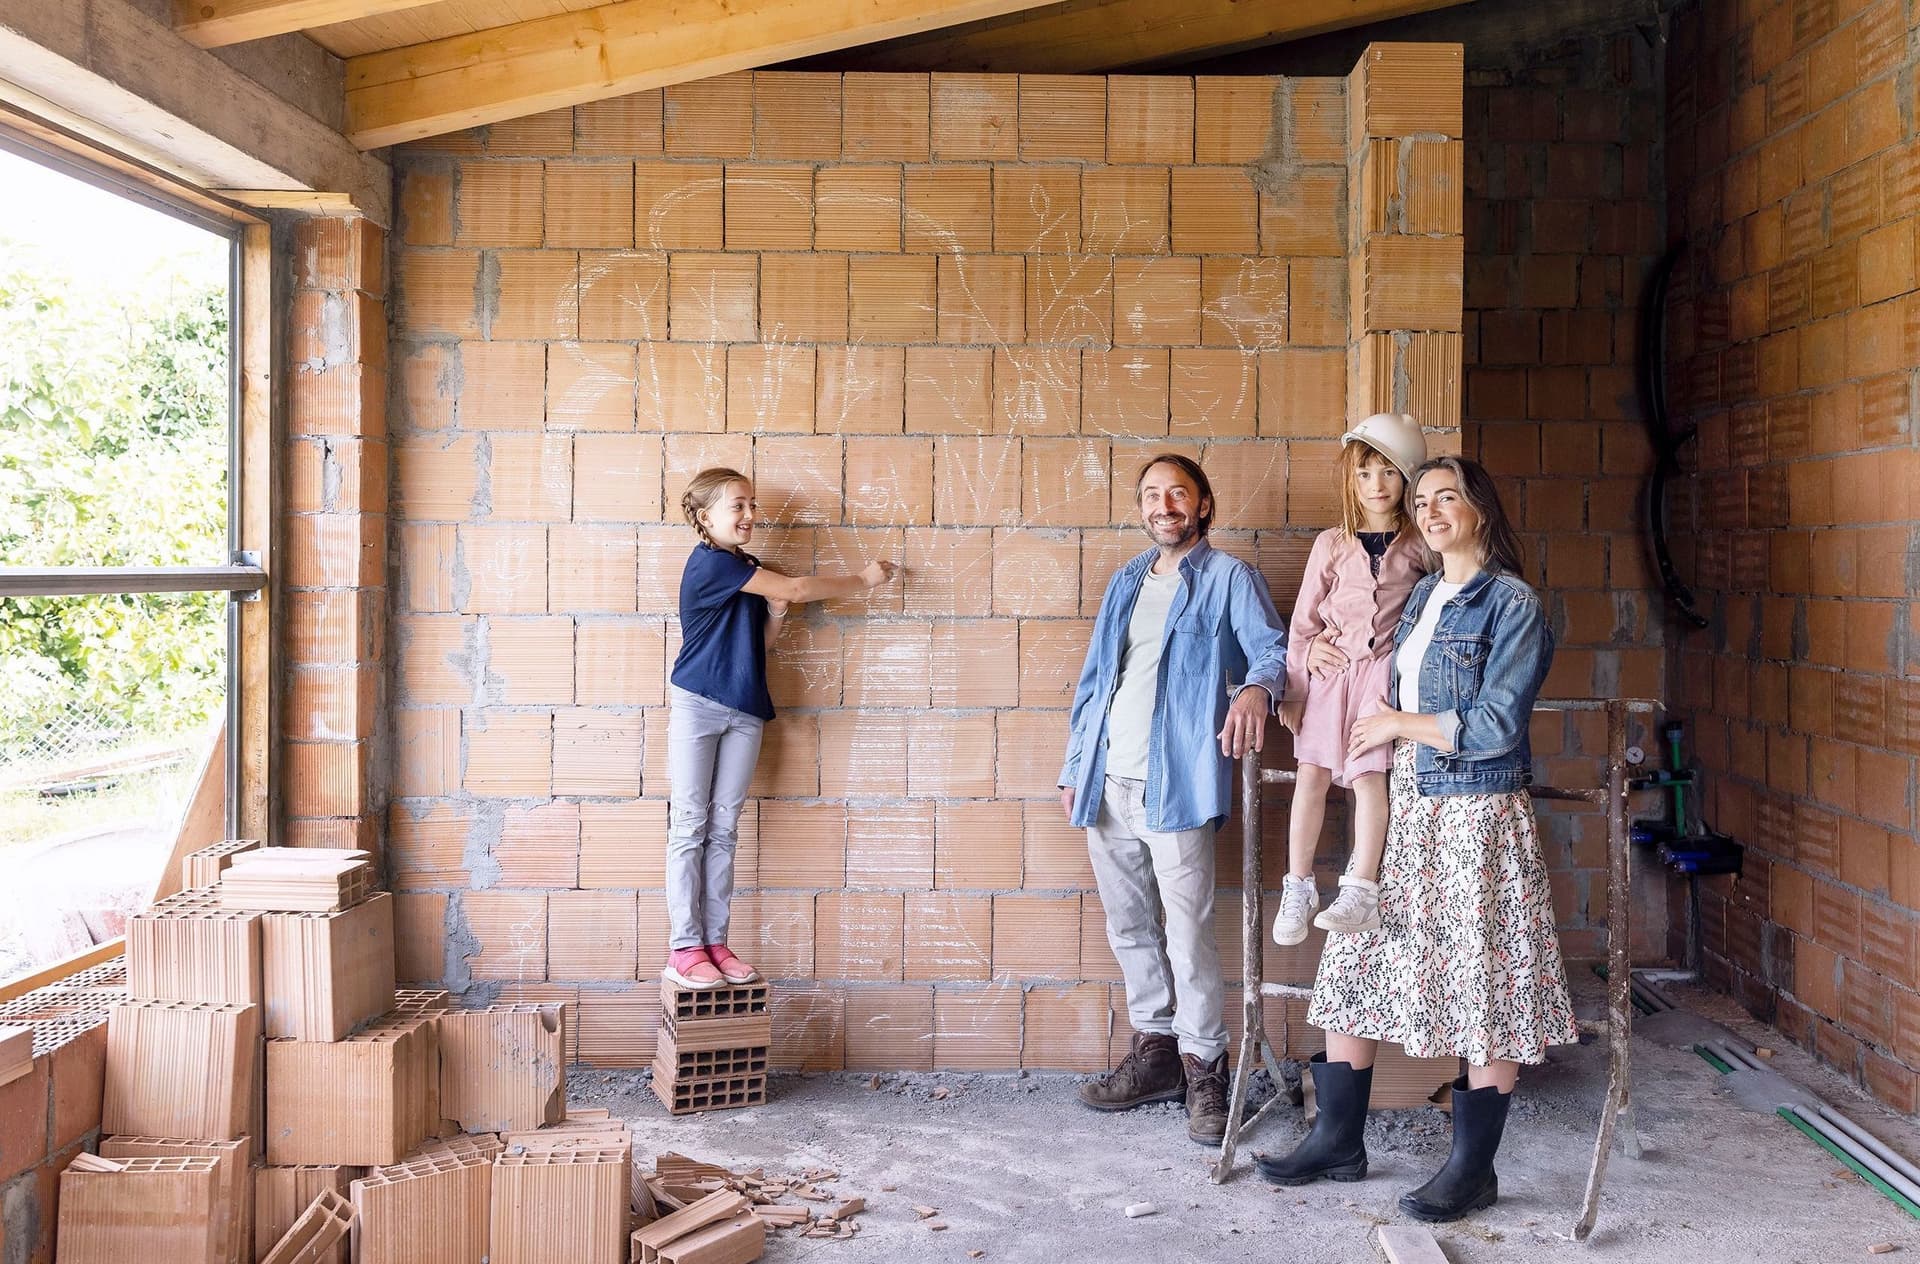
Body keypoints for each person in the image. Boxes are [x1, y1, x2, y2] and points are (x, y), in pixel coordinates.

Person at [1255, 455, 1578, 1223]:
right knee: (1357, 963)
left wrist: (1401, 724)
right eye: (1423, 499)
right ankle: (1337, 1136)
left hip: (1476, 816)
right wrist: (1318, 655)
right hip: (1411, 808)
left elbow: (1498, 726)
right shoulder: (1427, 591)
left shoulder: (1513, 603)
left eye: (1447, 499)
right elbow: (1361, 655)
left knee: (1484, 987)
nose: (1430, 511)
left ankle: (1472, 1169)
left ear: (1481, 510)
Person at [1059, 453, 1287, 1146]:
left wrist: (1255, 688)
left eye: (1178, 493)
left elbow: (1271, 652)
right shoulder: (1127, 581)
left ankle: (1204, 1066)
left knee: (1188, 934)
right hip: (1107, 781)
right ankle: (1156, 1055)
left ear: (1204, 505)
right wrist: (1076, 763)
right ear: (1141, 509)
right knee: (1130, 929)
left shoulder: (1229, 579)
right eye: (1152, 495)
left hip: (1177, 783)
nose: (1165, 505)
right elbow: (1096, 680)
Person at [665, 467, 898, 989]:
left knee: (723, 829)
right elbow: (796, 585)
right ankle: (685, 947)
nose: (750, 515)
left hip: (745, 707)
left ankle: (715, 944)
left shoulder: (747, 568)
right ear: (705, 517)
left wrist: (775, 613)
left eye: (752, 505)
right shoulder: (710, 565)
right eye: (737, 506)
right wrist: (862, 580)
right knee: (689, 826)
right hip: (699, 705)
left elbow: (761, 646)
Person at [1272, 414, 1430, 944]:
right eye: (1365, 473)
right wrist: (1294, 686)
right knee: (1312, 776)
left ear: (1405, 480)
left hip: (1381, 678)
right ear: (1352, 480)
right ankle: (1298, 886)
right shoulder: (1331, 542)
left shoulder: (1419, 545)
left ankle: (1361, 888)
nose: (1377, 485)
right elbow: (1303, 620)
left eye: (1388, 472)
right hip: (1330, 674)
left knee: (1368, 779)